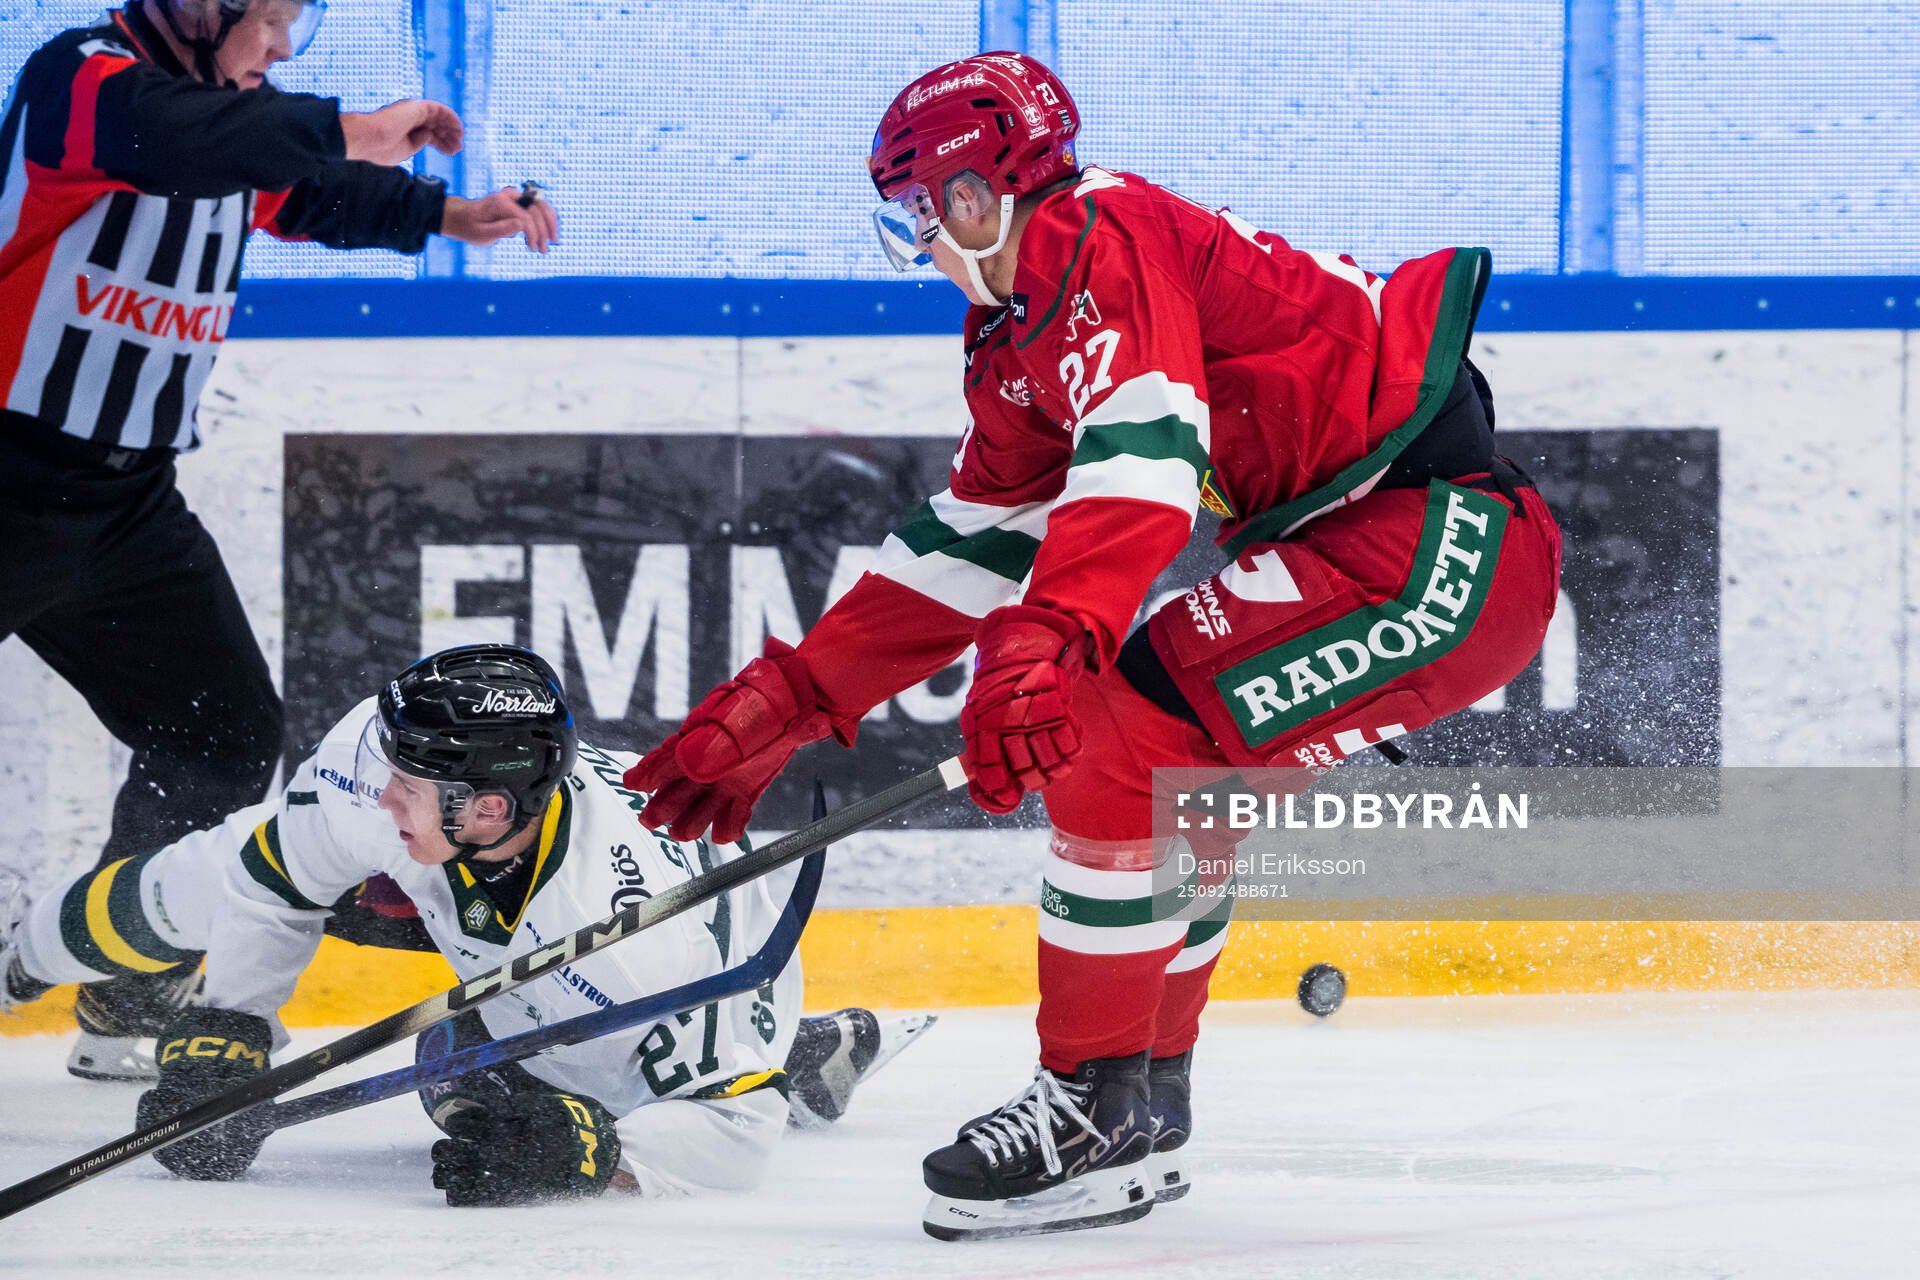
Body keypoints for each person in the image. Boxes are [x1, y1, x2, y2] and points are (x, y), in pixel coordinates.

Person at [627, 52, 1564, 1239]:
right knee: (1171, 775)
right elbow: (975, 537)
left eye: (919, 208)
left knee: (1121, 738)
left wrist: (1055, 635)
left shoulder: (1099, 239)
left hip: (1440, 549)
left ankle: (1091, 1098)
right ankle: (1140, 1100)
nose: (917, 239)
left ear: (975, 196)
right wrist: (802, 691)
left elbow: (1147, 458)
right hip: (1380, 544)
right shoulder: (1023, 331)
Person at [0, 0, 560, 1082]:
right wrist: (355, 123)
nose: (280, 51)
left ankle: (128, 991)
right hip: (6, 474)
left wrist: (451, 216)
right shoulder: (84, 82)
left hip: (126, 511)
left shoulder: (232, 118)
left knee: (216, 732)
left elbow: (307, 193)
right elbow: (201, 139)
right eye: (268, 22)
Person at [0, 645, 930, 1202]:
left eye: (410, 788)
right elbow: (273, 878)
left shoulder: (640, 958)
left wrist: (596, 1152)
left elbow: (737, 1136)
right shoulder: (399, 771)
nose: (383, 793)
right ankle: (20, 959)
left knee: (461, 1072)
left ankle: (796, 1058)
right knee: (194, 878)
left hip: (654, 1007)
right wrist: (237, 1030)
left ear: (487, 808)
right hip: (463, 905)